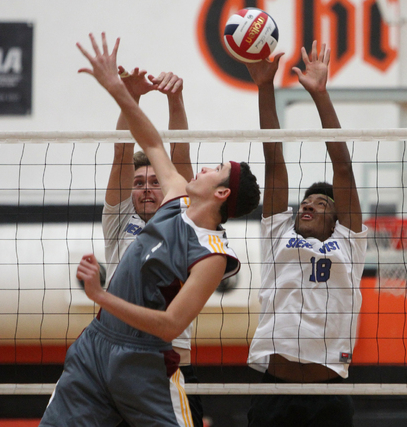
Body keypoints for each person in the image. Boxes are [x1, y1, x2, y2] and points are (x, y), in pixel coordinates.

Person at [39, 33, 260, 427]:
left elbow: (172, 325)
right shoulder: (176, 194)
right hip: (96, 344)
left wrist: (102, 296)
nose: (204, 169)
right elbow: (152, 141)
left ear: (222, 192)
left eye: (216, 170)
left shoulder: (213, 255)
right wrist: (119, 91)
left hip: (146, 359)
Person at [245, 41, 367, 427]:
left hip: (327, 396)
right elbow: (273, 160)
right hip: (274, 393)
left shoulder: (348, 241)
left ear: (337, 219)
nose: (309, 205)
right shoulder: (279, 230)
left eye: (321, 203)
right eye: (306, 201)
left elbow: (343, 170)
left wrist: (320, 95)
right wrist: (266, 87)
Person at [104, 66, 203, 427]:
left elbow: (179, 156)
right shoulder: (118, 221)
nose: (146, 187)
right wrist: (130, 96)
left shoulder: (182, 220)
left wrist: (175, 100)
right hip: (119, 357)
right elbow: (120, 155)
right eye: (138, 182)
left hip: (171, 361)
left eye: (153, 182)